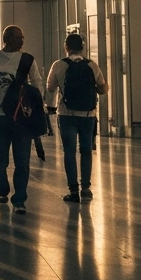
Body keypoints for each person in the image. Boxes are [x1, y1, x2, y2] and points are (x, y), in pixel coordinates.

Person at [0, 26, 42, 214]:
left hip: (22, 118)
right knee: (0, 157)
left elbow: (37, 84)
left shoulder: (28, 59)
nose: (22, 41)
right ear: (9, 39)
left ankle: (19, 198)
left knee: (22, 160)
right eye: (20, 38)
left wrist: (36, 108)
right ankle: (2, 189)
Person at [44, 33, 107, 203]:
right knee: (86, 151)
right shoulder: (92, 65)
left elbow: (50, 88)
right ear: (82, 47)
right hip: (88, 115)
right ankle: (86, 188)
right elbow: (103, 89)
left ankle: (73, 191)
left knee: (69, 152)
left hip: (66, 114)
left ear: (66, 47)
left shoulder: (58, 65)